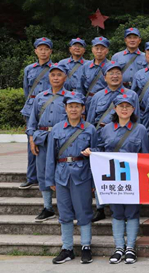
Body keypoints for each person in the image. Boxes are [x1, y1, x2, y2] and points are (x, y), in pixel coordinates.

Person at [82, 92, 149, 264]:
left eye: (128, 106)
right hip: (112, 179)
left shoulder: (140, 129)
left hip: (133, 178)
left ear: (133, 109)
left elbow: (146, 155)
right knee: (117, 213)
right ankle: (119, 247)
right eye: (121, 106)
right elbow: (100, 149)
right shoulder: (106, 129)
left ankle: (130, 248)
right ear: (115, 109)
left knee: (132, 213)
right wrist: (91, 152)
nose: (124, 109)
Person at [45, 92, 98, 264]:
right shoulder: (57, 129)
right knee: (64, 212)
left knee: (84, 211)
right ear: (65, 108)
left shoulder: (90, 129)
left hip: (82, 174)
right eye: (70, 106)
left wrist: (94, 180)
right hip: (61, 174)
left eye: (77, 106)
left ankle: (86, 246)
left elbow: (96, 154)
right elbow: (50, 155)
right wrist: (49, 179)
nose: (73, 109)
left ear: (83, 109)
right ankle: (67, 248)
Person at [85, 61, 140, 222]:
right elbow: (90, 120)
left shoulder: (131, 95)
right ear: (105, 77)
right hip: (102, 138)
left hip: (126, 138)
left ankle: (126, 202)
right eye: (111, 73)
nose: (115, 76)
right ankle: (100, 207)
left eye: (118, 73)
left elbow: (137, 118)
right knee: (100, 172)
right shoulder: (97, 96)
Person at [27, 62, 69, 222]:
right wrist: (31, 139)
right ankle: (47, 207)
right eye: (53, 75)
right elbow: (32, 121)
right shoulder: (40, 97)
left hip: (62, 139)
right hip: (43, 139)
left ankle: (66, 206)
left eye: (59, 75)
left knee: (64, 171)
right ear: (49, 77)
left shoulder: (70, 97)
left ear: (65, 77)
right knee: (43, 172)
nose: (56, 78)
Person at [20, 37, 53, 189]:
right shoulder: (29, 69)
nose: (43, 52)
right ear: (36, 51)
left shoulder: (55, 69)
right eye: (40, 49)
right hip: (32, 108)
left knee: (50, 143)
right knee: (31, 142)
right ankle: (31, 176)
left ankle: (49, 176)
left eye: (46, 49)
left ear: (50, 51)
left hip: (50, 108)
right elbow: (26, 90)